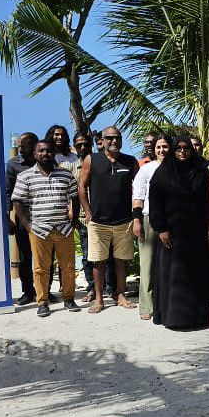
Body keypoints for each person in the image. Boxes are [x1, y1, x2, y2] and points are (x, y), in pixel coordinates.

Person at [147, 136, 209, 330]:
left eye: (186, 149)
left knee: (196, 275)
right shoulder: (163, 173)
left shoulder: (201, 172)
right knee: (173, 275)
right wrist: (161, 229)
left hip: (196, 232)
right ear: (173, 151)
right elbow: (156, 203)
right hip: (172, 233)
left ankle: (197, 317)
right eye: (178, 149)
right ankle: (174, 318)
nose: (183, 152)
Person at [11, 139, 81, 317]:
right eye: (41, 151)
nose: (45, 154)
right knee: (41, 268)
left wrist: (73, 222)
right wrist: (28, 226)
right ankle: (42, 302)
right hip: (39, 230)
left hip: (63, 229)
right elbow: (18, 202)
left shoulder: (65, 175)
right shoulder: (25, 176)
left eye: (48, 151)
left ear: (54, 153)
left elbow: (75, 197)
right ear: (35, 154)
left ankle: (68, 298)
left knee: (68, 266)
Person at [77, 126, 138, 313]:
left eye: (117, 137)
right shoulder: (92, 160)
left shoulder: (130, 161)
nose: (114, 141)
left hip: (124, 220)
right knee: (98, 261)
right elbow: (82, 186)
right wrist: (88, 212)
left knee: (121, 260)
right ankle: (98, 299)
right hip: (98, 222)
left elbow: (139, 189)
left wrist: (136, 216)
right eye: (109, 138)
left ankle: (121, 295)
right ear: (102, 141)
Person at [131, 135, 170, 319]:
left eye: (165, 146)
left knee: (168, 265)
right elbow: (138, 197)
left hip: (171, 221)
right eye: (159, 147)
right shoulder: (146, 169)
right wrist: (137, 221)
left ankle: (165, 303)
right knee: (147, 265)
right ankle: (147, 306)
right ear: (153, 150)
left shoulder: (176, 168)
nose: (162, 150)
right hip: (148, 218)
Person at [6, 132, 38, 305]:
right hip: (22, 216)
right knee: (25, 256)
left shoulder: (44, 160)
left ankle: (44, 291)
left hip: (43, 215)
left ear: (33, 146)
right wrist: (7, 216)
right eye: (18, 145)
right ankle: (28, 291)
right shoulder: (13, 164)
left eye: (23, 145)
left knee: (45, 255)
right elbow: (7, 191)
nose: (19, 148)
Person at [70, 132, 94, 288]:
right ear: (74, 147)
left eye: (86, 144)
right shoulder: (71, 168)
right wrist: (73, 216)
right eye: (79, 145)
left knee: (106, 255)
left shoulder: (100, 162)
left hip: (102, 216)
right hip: (82, 218)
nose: (83, 147)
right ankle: (91, 287)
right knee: (86, 255)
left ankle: (108, 287)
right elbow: (70, 194)